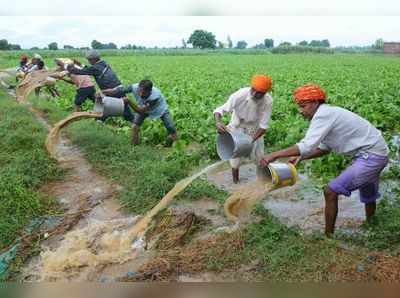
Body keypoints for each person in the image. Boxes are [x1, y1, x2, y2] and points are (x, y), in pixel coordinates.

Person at [260, 84, 389, 236]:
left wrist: (274, 155)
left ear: (315, 102)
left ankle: (328, 237)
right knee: (368, 193)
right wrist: (301, 156)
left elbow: (307, 145)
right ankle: (372, 225)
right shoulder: (328, 113)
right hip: (377, 152)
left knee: (330, 191)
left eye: (303, 106)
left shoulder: (323, 114)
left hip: (371, 155)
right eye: (299, 107)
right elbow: (324, 148)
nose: (301, 111)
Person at [213, 74, 273, 183]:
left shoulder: (267, 101)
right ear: (251, 87)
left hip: (255, 130)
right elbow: (220, 110)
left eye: (259, 93)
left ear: (265, 93)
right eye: (253, 90)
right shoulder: (240, 95)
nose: (255, 94)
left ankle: (262, 182)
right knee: (234, 158)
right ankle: (235, 183)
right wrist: (218, 122)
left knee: (259, 158)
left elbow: (263, 126)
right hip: (237, 127)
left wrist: (251, 140)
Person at [102, 79, 177, 146]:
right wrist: (103, 92)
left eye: (144, 93)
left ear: (150, 91)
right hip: (142, 106)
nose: (141, 94)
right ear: (138, 87)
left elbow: (140, 111)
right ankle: (134, 145)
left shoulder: (154, 97)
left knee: (170, 127)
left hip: (159, 108)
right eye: (139, 91)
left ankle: (175, 146)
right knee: (135, 127)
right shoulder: (134, 87)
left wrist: (129, 101)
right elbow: (117, 90)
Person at [67, 50, 134, 122]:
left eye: (89, 60)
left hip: (111, 92)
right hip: (118, 89)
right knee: (106, 108)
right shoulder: (104, 63)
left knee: (122, 112)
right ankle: (99, 121)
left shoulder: (95, 68)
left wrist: (68, 66)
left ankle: (134, 122)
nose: (88, 61)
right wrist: (80, 64)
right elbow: (89, 69)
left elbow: (79, 71)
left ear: (93, 59)